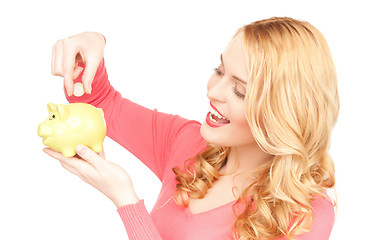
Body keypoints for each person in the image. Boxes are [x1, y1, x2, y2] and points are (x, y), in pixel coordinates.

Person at [43, 17, 339, 239]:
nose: (213, 91)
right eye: (219, 71)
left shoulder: (305, 215)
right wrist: (91, 46)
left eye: (240, 91)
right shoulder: (187, 142)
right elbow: (101, 102)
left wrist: (127, 201)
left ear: (283, 113)